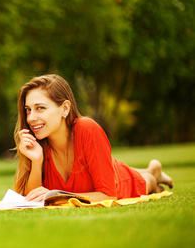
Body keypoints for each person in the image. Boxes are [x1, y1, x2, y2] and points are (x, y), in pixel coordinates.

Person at [13, 74, 174, 202]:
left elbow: (108, 196)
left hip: (121, 182)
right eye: (28, 110)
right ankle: (153, 170)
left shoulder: (87, 128)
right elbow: (31, 199)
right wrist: (36, 161)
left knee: (147, 182)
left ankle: (153, 173)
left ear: (65, 108)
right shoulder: (37, 144)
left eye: (40, 108)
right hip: (100, 169)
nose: (31, 118)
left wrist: (60, 197)